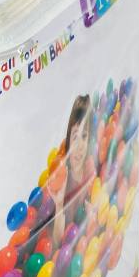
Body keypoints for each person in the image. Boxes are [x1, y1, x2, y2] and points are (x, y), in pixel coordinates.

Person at [51, 94, 93, 243]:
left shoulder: (91, 173)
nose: (79, 146)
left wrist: (92, 219)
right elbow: (57, 242)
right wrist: (59, 204)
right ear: (69, 139)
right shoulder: (63, 177)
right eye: (75, 137)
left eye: (84, 136)